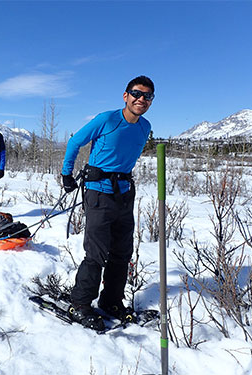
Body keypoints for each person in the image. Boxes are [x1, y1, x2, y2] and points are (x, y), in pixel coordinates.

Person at [61, 75, 154, 331]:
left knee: (122, 253)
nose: (141, 99)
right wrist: (66, 173)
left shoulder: (145, 127)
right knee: (97, 253)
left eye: (147, 96)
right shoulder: (107, 119)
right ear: (126, 96)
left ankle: (111, 301)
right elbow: (75, 141)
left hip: (124, 193)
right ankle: (80, 304)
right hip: (98, 192)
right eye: (137, 93)